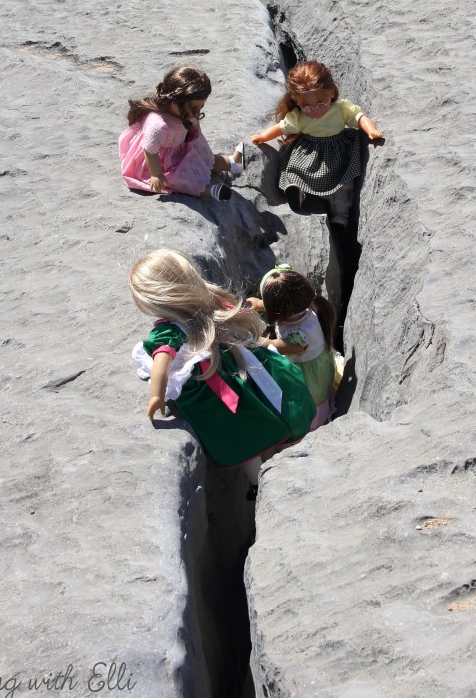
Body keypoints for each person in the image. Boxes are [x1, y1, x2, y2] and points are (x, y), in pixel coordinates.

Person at [129, 249, 317, 498]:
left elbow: (161, 359)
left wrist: (157, 395)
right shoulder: (208, 301)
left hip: (217, 386)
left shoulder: (170, 330)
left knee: (244, 440)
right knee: (264, 410)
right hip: (236, 363)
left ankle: (258, 482)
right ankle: (272, 470)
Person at [250, 60, 383, 228]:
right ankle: (298, 192)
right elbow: (281, 127)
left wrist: (371, 130)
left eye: (321, 103)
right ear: (297, 102)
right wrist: (263, 137)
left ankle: (340, 215)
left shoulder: (341, 109)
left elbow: (359, 117)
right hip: (308, 154)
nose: (315, 110)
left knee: (344, 183)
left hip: (338, 155)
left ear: (332, 93)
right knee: (294, 169)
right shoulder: (299, 117)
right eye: (307, 106)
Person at [119, 65, 243, 201]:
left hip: (179, 150)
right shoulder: (158, 125)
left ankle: (232, 162)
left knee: (206, 157)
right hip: (161, 163)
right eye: (194, 107)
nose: (197, 112)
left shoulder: (185, 113)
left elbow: (193, 129)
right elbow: (150, 151)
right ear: (175, 102)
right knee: (182, 179)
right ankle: (211, 191)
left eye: (201, 107)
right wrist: (157, 175)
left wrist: (197, 143)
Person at [246, 265, 342, 430]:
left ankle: (315, 423)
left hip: (308, 376)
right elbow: (287, 304)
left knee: (313, 402)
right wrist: (261, 304)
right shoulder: (305, 307)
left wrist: (253, 338)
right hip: (313, 362)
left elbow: (279, 346)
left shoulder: (299, 338)